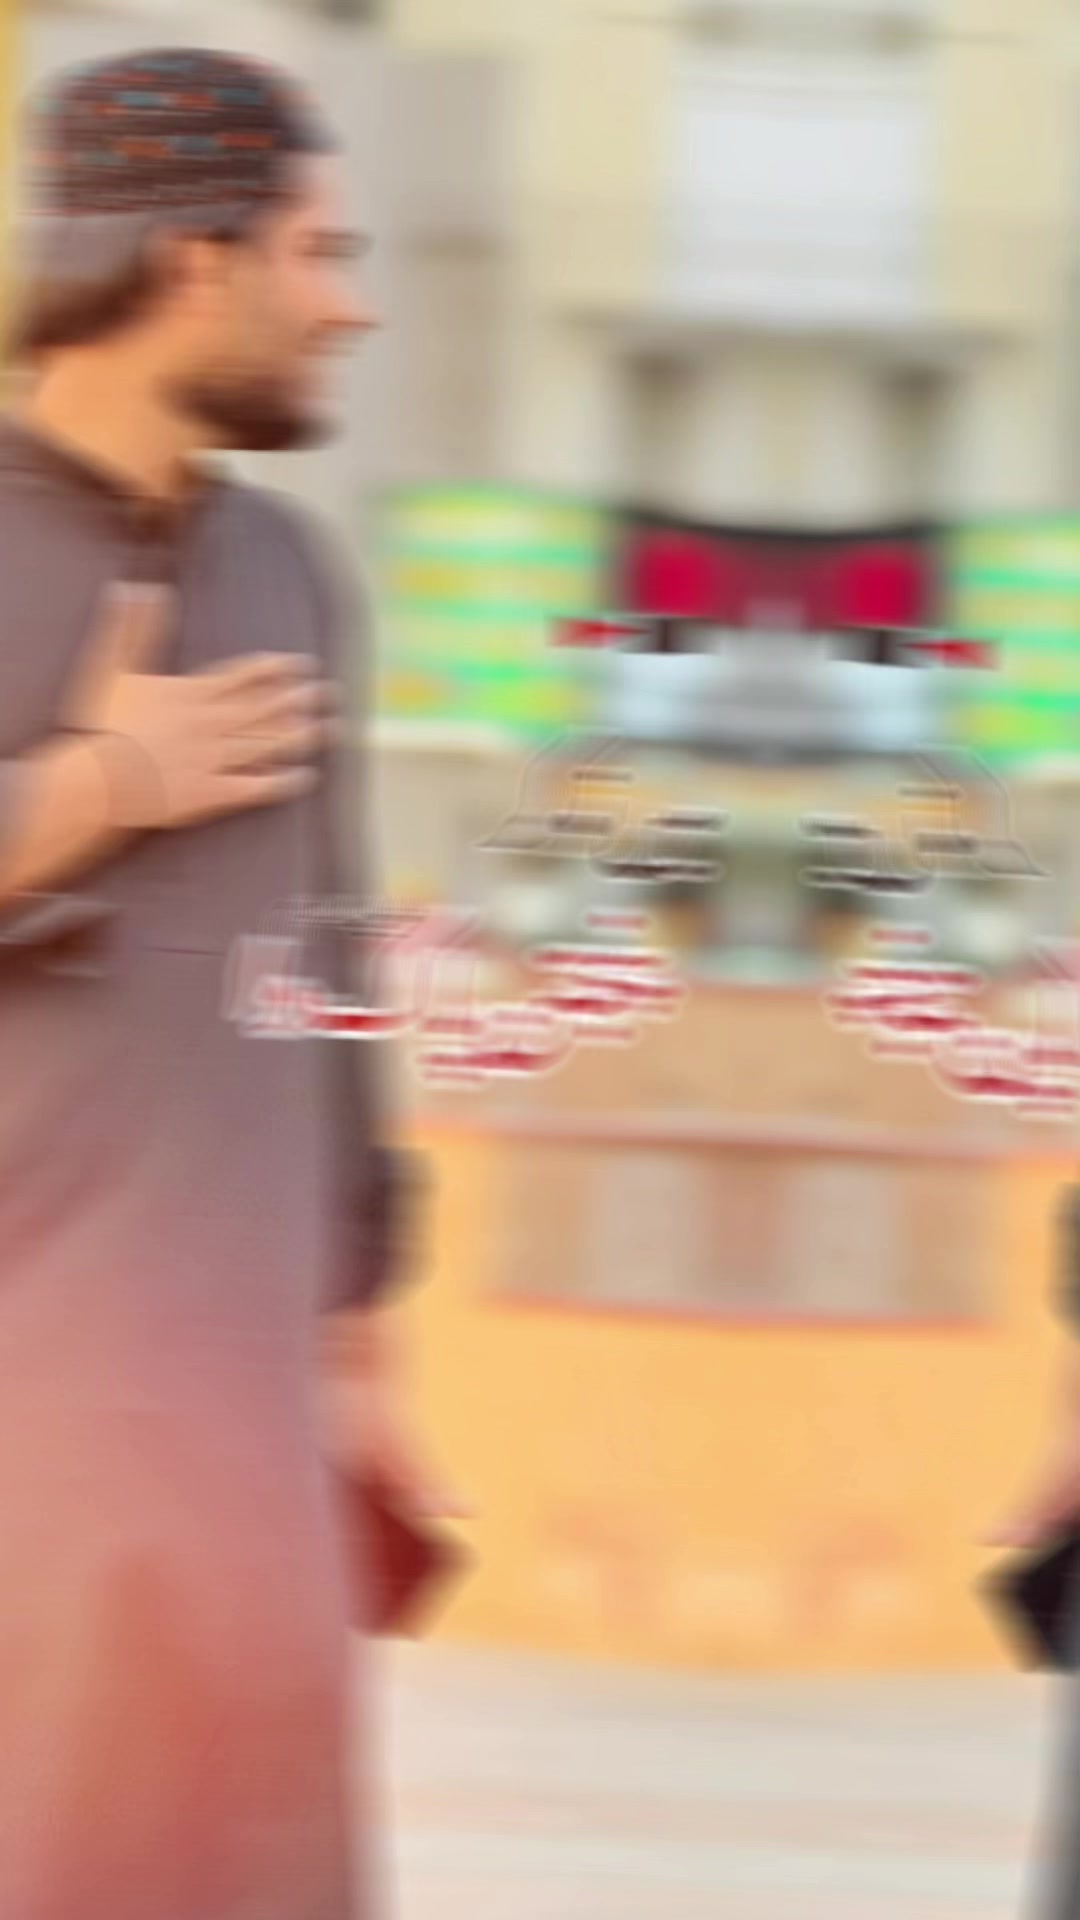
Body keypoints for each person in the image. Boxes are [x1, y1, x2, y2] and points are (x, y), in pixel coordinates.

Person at [0, 45, 453, 1920]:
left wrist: (356, 1350)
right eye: (319, 253)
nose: (351, 307)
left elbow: (330, 966)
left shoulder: (290, 571)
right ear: (194, 262)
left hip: (244, 1443)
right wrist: (103, 785)